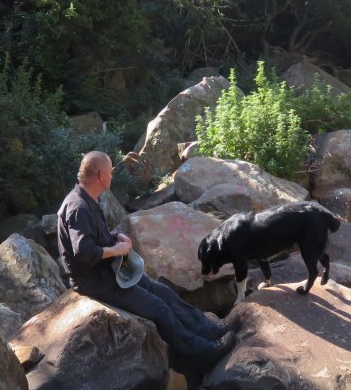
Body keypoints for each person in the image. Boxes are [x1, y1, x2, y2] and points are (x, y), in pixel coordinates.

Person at [57, 151, 235, 369]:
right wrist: (116, 249)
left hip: (109, 271)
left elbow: (94, 237)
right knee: (158, 308)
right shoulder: (78, 207)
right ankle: (202, 352)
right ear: (102, 175)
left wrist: (114, 237)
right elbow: (83, 251)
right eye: (111, 172)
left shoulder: (87, 199)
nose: (113, 176)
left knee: (164, 293)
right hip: (95, 281)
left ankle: (209, 330)